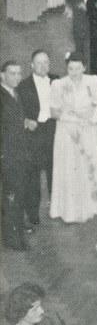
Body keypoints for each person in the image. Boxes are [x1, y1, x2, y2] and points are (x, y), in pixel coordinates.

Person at [49, 53, 97, 223]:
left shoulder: (93, 81)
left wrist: (91, 121)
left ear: (84, 67)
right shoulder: (59, 84)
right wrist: (73, 119)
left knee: (88, 164)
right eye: (70, 68)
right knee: (70, 165)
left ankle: (92, 205)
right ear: (66, 68)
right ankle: (69, 209)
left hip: (88, 130)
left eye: (77, 68)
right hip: (67, 131)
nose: (74, 72)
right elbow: (54, 112)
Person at [17, 50, 57, 226]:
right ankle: (33, 214)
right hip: (33, 134)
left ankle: (57, 209)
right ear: (31, 65)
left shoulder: (58, 80)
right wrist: (25, 120)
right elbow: (15, 111)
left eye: (46, 62)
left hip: (55, 130)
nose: (43, 66)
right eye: (39, 63)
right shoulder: (22, 85)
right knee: (32, 176)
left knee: (55, 172)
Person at [1, 61, 30, 249]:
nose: (17, 77)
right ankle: (12, 239)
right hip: (7, 155)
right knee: (11, 196)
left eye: (19, 73)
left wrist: (25, 123)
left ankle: (17, 231)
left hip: (18, 153)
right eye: (12, 73)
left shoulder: (15, 93)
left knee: (18, 194)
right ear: (2, 75)